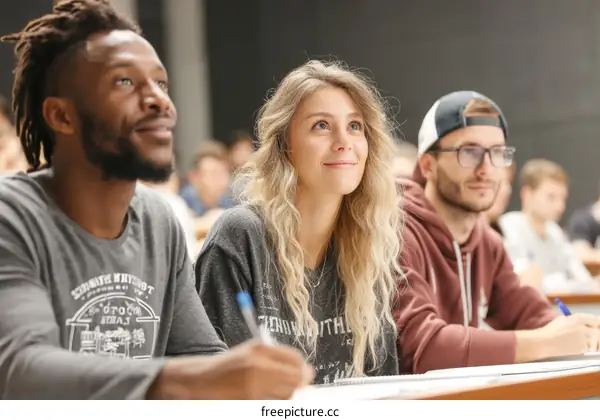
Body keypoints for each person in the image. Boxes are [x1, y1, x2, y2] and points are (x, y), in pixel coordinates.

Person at [0, 0, 312, 399]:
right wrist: (194, 380)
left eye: (161, 84)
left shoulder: (157, 219)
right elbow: (22, 371)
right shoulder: (12, 216)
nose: (159, 101)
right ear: (62, 116)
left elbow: (198, 353)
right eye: (124, 83)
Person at [195, 60, 402, 384]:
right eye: (321, 125)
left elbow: (386, 385)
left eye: (355, 126)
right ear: (284, 145)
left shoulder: (370, 241)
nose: (343, 141)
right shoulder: (241, 237)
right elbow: (216, 389)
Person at [395, 90, 600, 374]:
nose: (487, 169)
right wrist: (544, 342)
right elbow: (422, 349)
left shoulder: (487, 242)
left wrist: (576, 328)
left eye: (497, 153)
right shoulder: (395, 232)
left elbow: (526, 312)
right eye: (469, 152)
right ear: (428, 165)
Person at [499, 159, 595, 293]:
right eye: (551, 197)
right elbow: (527, 282)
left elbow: (581, 277)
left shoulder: (554, 231)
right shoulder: (508, 228)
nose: (560, 206)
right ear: (527, 194)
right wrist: (568, 284)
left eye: (563, 198)